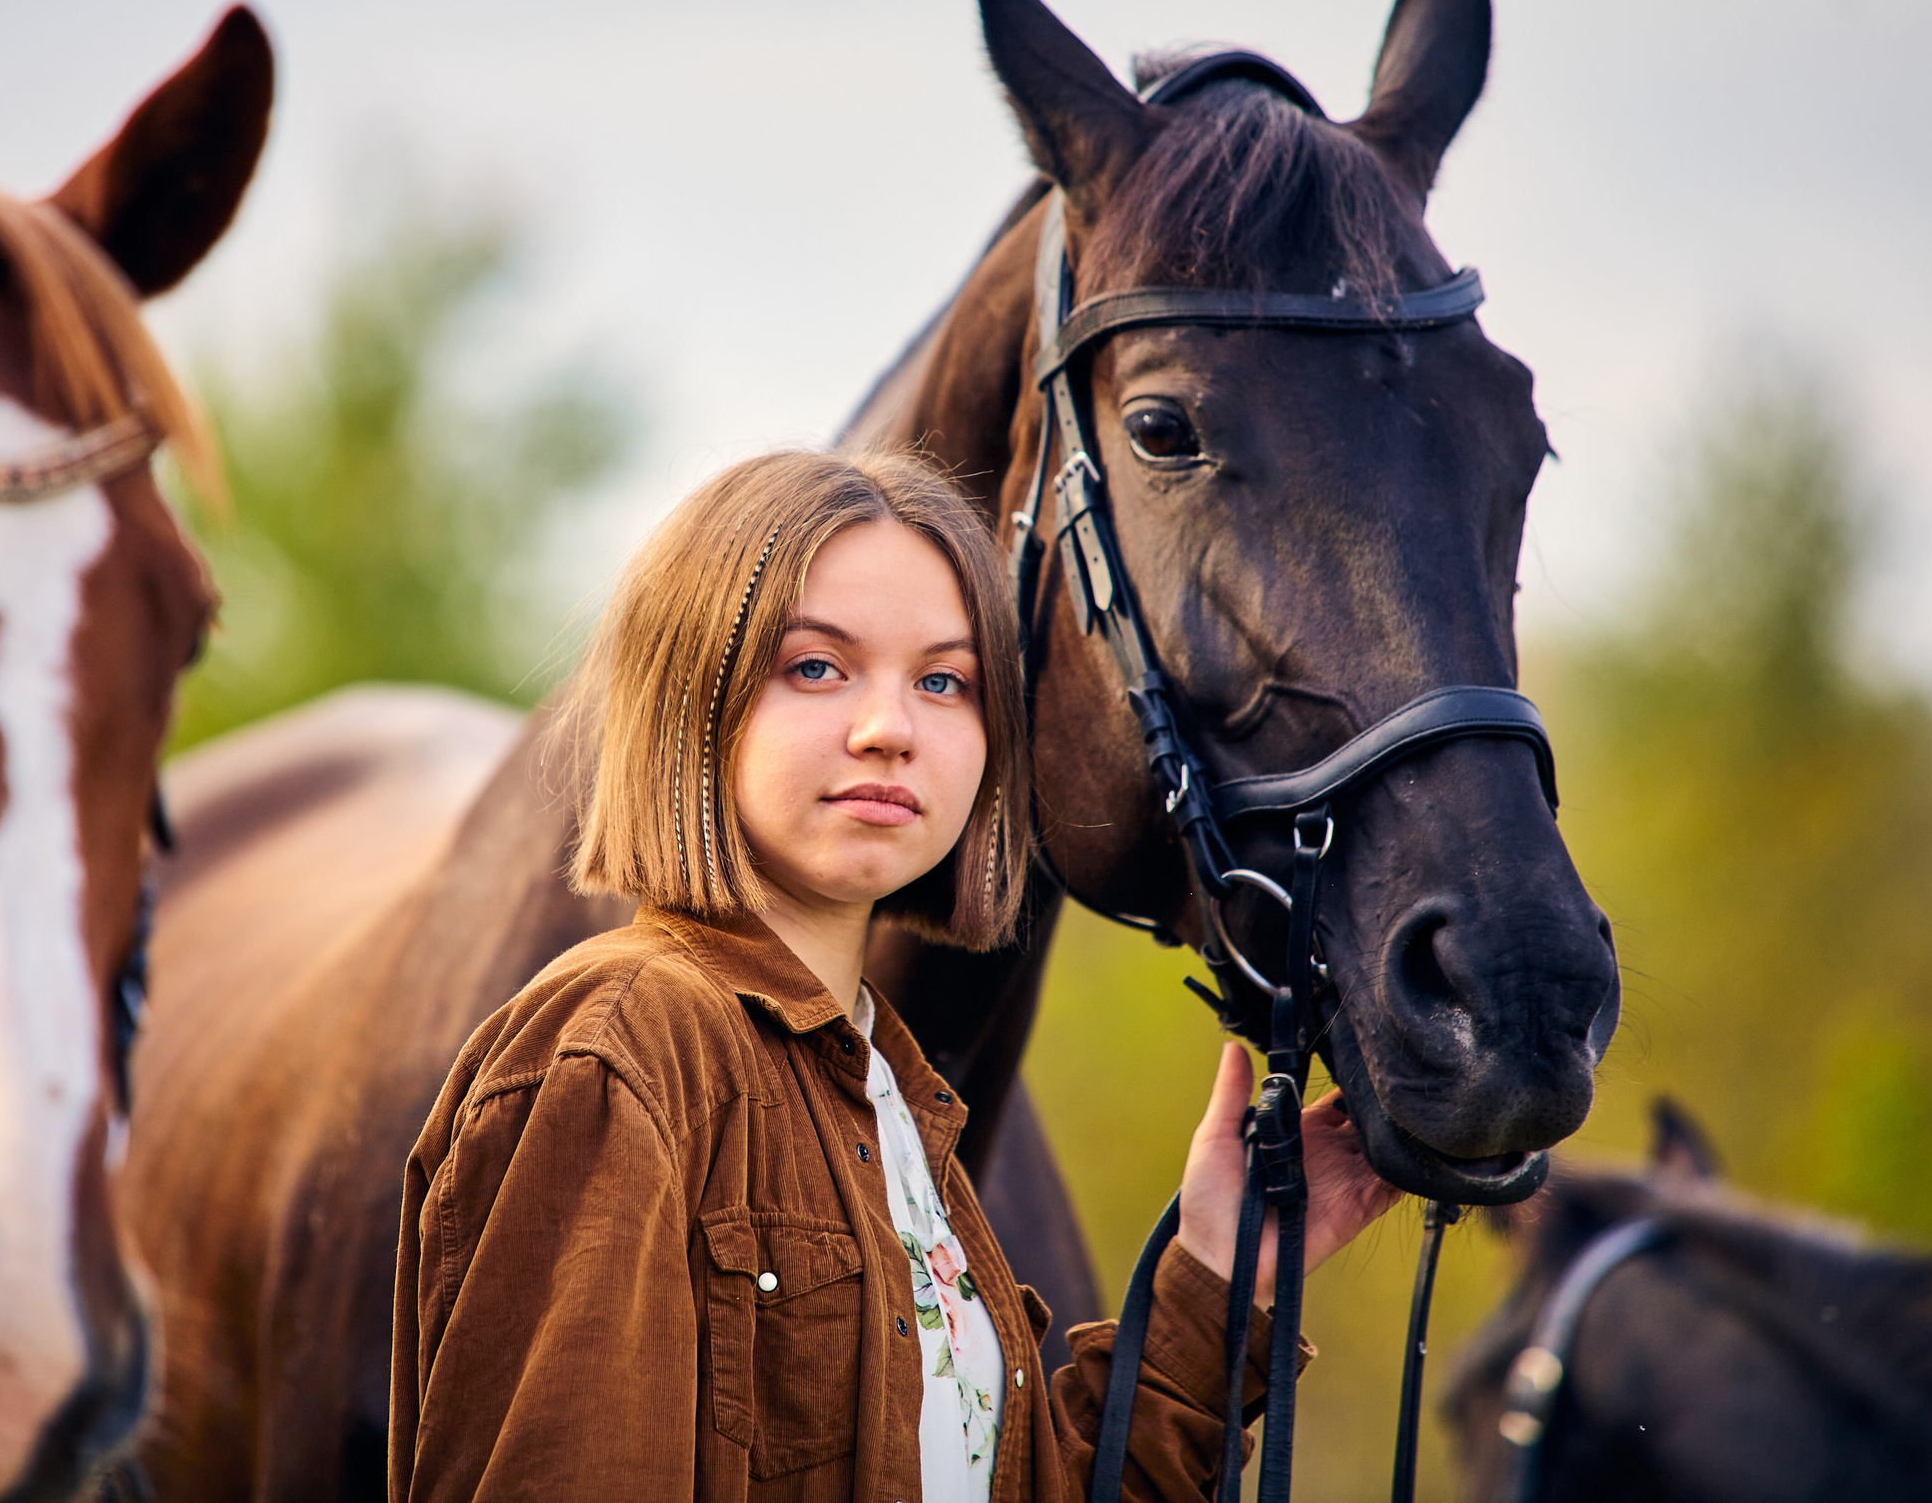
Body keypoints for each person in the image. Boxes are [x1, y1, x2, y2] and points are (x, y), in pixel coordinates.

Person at [389, 450, 1398, 1501]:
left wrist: (1219, 1277)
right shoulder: (621, 1048)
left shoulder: (892, 1100)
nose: (890, 730)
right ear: (690, 695)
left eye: (942, 681)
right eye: (815, 667)